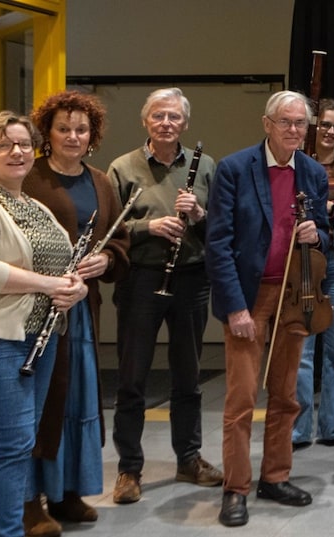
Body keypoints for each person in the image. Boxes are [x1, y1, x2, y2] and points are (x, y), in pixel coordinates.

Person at [0, 111, 83, 537]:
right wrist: (50, 285)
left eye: (23, 144)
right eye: (2, 143)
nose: (16, 151)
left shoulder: (31, 203)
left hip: (39, 335)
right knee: (10, 444)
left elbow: (62, 265)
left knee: (15, 444)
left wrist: (74, 286)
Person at [205, 90, 329, 527]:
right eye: (285, 122)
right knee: (240, 399)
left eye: (300, 124)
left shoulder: (312, 172)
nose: (294, 130)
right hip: (250, 297)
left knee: (287, 396)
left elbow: (325, 236)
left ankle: (275, 476)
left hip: (295, 295)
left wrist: (318, 236)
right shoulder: (235, 168)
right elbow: (217, 243)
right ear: (267, 123)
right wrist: (235, 308)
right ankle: (235, 488)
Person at [105, 88, 222, 505]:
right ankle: (128, 469)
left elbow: (221, 231)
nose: (166, 123)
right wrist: (148, 228)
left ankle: (188, 458)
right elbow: (109, 231)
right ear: (145, 121)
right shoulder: (122, 168)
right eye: (158, 116)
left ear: (185, 123)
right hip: (141, 278)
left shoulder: (204, 166)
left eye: (174, 117)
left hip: (191, 278)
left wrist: (200, 215)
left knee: (188, 376)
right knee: (132, 377)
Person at [24, 90, 130, 537]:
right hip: (34, 312)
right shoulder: (28, 178)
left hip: (82, 309)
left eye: (81, 129)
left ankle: (68, 493)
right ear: (46, 133)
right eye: (63, 128)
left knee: (76, 401)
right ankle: (29, 502)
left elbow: (119, 241)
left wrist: (106, 262)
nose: (72, 136)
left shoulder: (102, 181)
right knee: (39, 405)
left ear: (93, 135)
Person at [292, 98, 334, 451]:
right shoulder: (296, 163)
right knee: (301, 349)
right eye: (325, 125)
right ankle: (298, 429)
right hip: (301, 263)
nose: (330, 131)